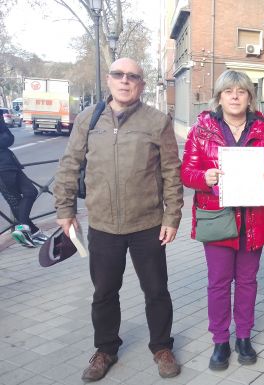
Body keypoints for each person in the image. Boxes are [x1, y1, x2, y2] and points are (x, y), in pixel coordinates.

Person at [53, 57, 184, 382]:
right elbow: (70, 164)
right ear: (110, 80)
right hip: (103, 225)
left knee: (156, 290)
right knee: (104, 292)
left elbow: (171, 171)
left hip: (148, 224)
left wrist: (172, 216)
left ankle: (161, 347)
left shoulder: (157, 120)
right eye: (118, 75)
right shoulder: (88, 119)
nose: (125, 81)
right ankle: (106, 349)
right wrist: (65, 210)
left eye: (133, 76)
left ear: (141, 83)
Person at [180, 70, 264, 371]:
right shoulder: (202, 132)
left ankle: (244, 337)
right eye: (229, 91)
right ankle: (220, 340)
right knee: (218, 283)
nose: (235, 96)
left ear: (250, 97)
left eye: (241, 91)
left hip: (254, 218)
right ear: (220, 97)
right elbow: (187, 174)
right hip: (218, 218)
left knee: (248, 282)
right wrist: (205, 177)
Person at [0, 117, 47, 247]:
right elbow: (6, 138)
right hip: (2, 170)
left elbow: (9, 138)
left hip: (10, 164)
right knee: (15, 202)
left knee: (30, 192)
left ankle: (25, 230)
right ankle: (33, 234)